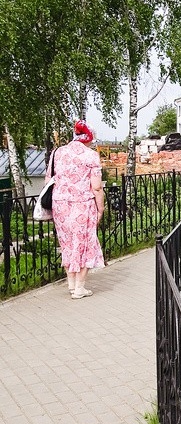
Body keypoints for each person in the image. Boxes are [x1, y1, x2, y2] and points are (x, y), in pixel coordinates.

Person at [51, 120, 105, 299]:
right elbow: (96, 187)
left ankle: (71, 284)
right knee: (85, 243)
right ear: (88, 139)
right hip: (82, 204)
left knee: (67, 243)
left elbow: (48, 179)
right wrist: (101, 208)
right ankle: (80, 288)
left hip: (60, 204)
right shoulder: (90, 156)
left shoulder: (58, 153)